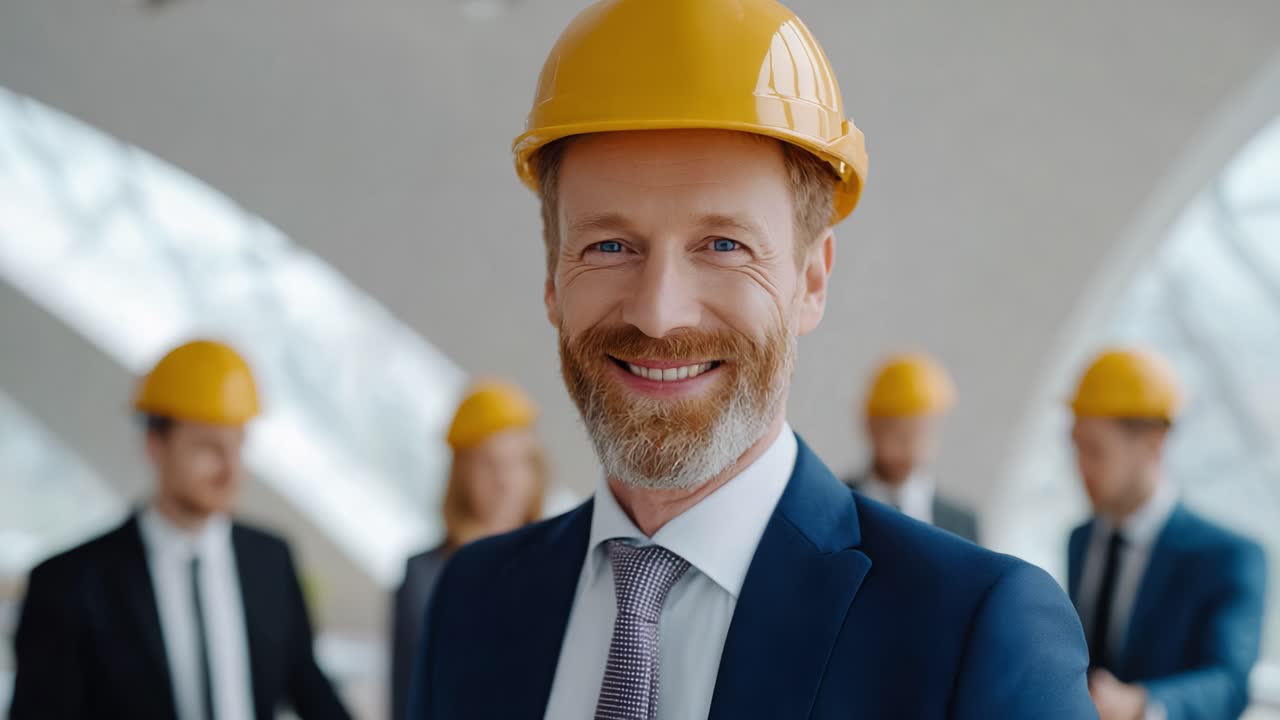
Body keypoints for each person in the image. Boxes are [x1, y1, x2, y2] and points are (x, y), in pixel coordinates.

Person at [409, 0, 1094, 717]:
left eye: (723, 245)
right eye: (609, 246)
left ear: (812, 281)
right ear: (552, 279)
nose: (658, 312)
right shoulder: (473, 602)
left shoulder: (972, 630)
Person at [11, 340, 351, 720]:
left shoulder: (271, 560)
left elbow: (309, 685)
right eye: (209, 449)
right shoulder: (69, 583)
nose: (231, 471)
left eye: (238, 446)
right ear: (156, 445)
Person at [1066, 348, 1267, 720]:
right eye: (1076, 446)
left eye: (1095, 450)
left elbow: (1229, 684)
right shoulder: (1079, 541)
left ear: (1153, 443)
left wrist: (1140, 704)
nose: (1080, 466)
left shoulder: (1229, 556)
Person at [390, 381, 545, 720]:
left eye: (519, 463)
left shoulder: (566, 563)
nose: (505, 481)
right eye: (489, 463)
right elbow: (408, 701)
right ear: (461, 473)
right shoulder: (423, 576)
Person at [846, 353, 979, 542]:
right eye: (897, 434)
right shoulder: (835, 505)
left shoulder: (962, 524)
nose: (909, 448)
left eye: (921, 433)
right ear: (871, 426)